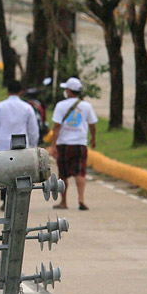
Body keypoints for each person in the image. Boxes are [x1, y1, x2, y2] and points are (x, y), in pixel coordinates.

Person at [49, 77, 98, 210]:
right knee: (80, 172)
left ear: (69, 91)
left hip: (64, 144)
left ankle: (63, 201)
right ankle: (81, 199)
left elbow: (57, 126)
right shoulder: (86, 106)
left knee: (63, 174)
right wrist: (93, 139)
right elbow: (92, 125)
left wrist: (53, 146)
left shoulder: (60, 105)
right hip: (80, 143)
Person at [0, 80, 40, 152]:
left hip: (3, 145)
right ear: (20, 92)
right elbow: (33, 129)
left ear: (8, 92)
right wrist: (34, 145)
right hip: (21, 146)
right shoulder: (27, 108)